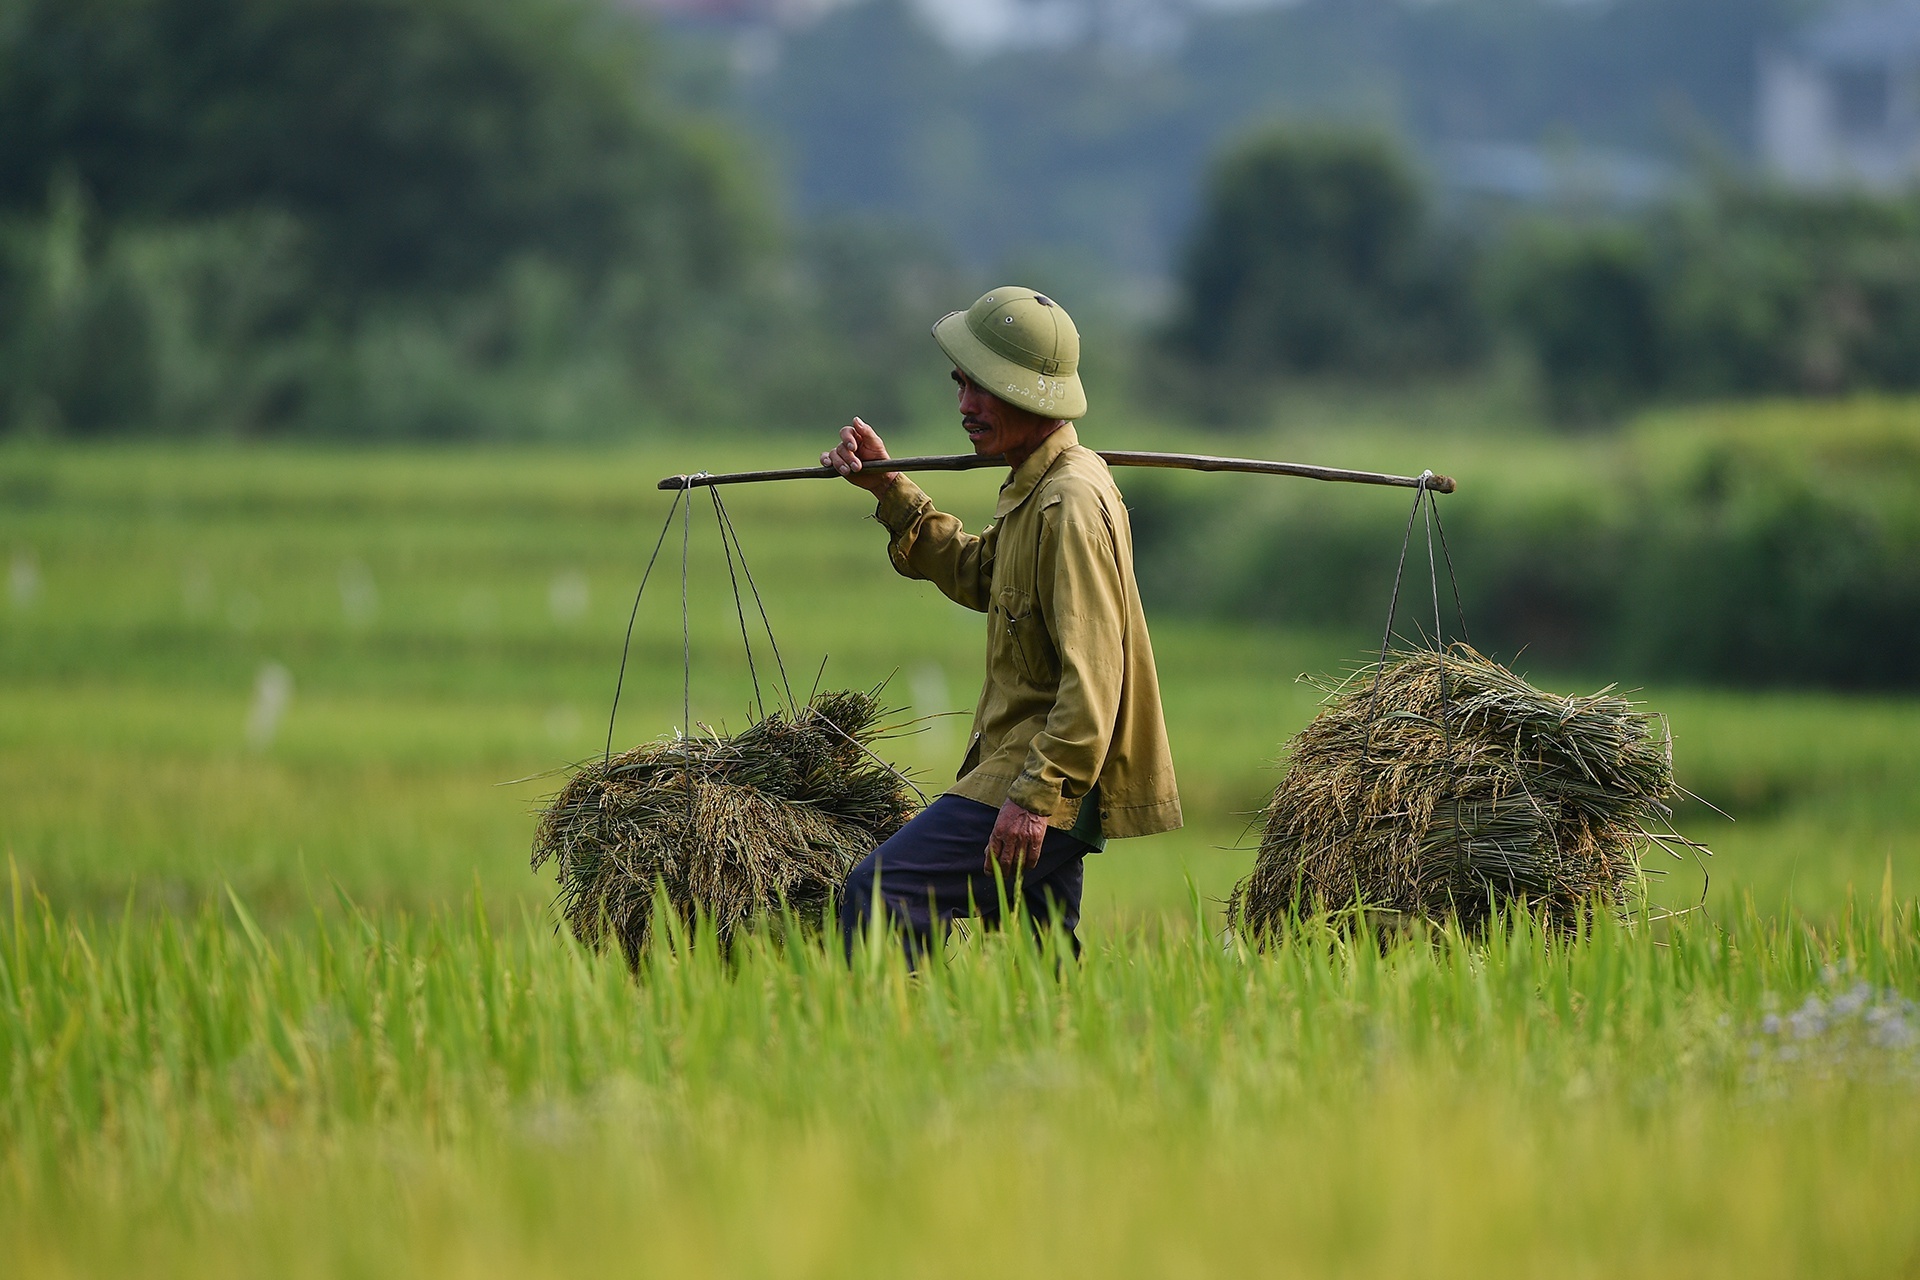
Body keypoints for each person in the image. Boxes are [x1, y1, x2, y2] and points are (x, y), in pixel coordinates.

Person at [823, 285, 1181, 960]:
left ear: (1026, 394)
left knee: (884, 892)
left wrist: (1035, 797)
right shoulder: (1037, 487)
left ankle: (889, 1026)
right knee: (1035, 955)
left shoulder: (1069, 502)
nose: (965, 405)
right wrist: (888, 486)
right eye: (960, 384)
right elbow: (981, 575)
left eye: (982, 387)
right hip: (1042, 766)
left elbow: (1094, 675)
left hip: (1046, 766)